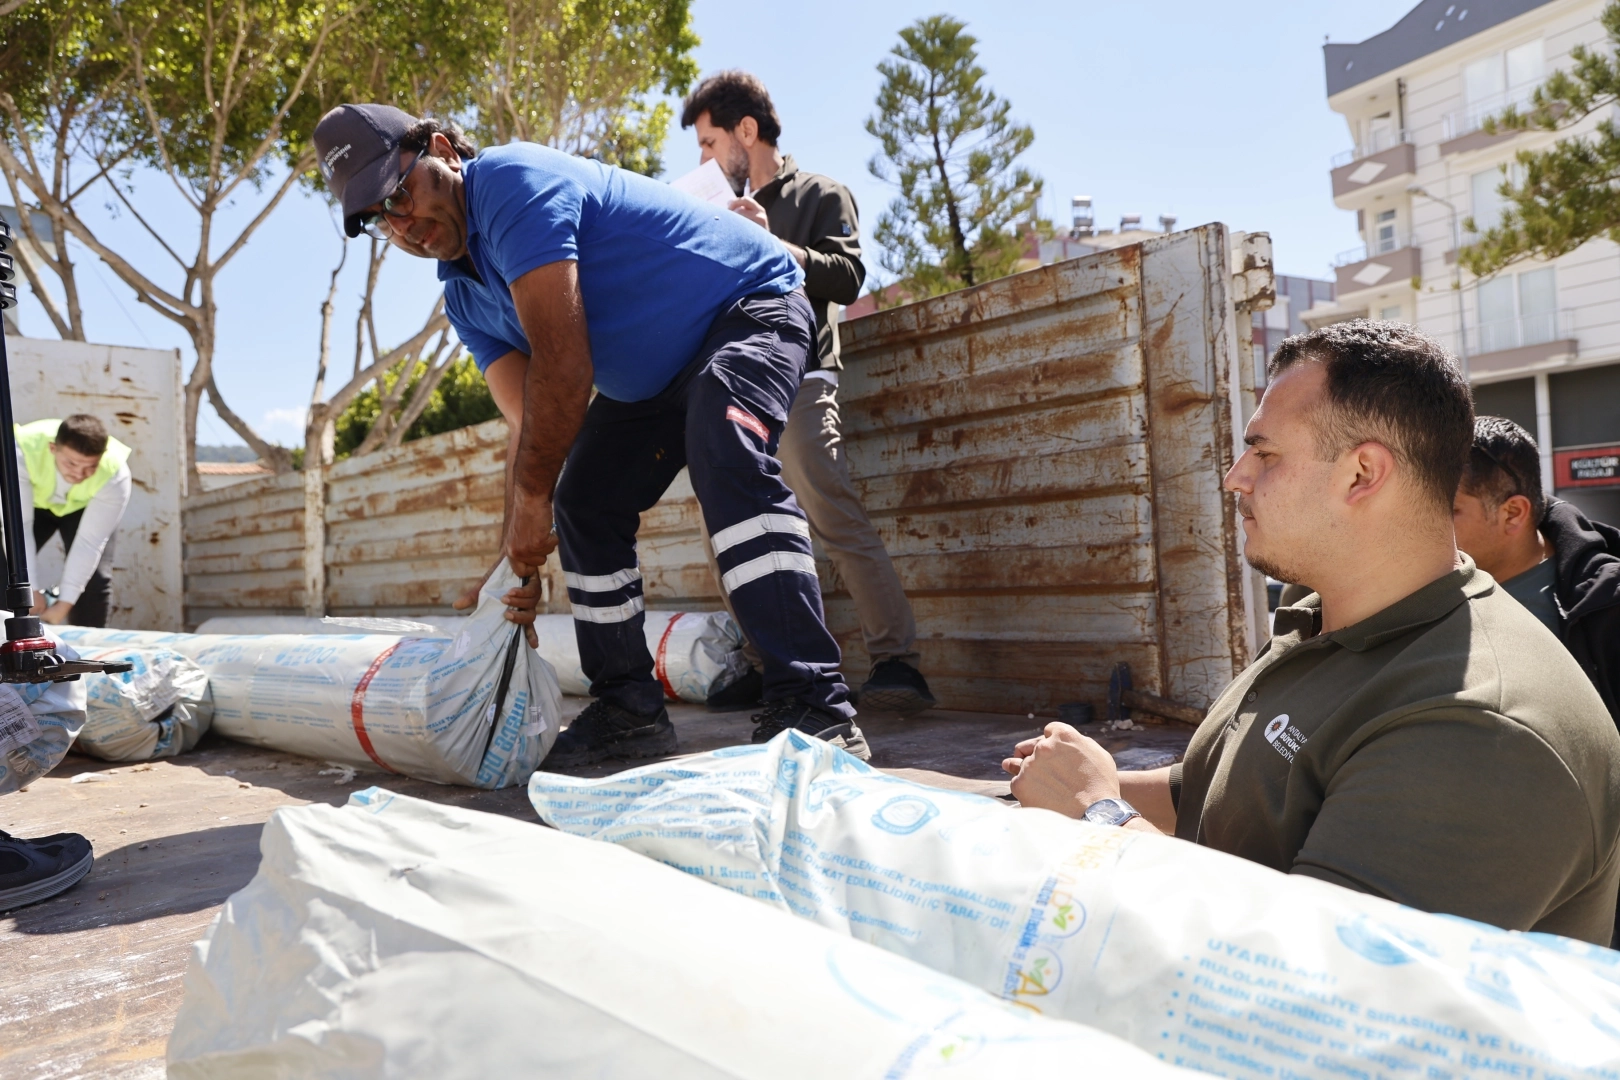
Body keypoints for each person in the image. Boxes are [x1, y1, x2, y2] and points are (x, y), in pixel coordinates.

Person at [1002, 321, 1620, 945]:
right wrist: (1078, 780)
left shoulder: (1481, 727)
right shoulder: (1323, 608)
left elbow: (1301, 965)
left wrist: (1099, 812)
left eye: (1264, 454)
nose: (1235, 477)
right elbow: (1229, 793)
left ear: (1362, 474)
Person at [312, 104, 869, 766]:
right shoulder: (463, 297)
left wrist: (530, 505)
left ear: (442, 150)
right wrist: (512, 561)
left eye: (400, 193)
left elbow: (565, 367)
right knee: (582, 499)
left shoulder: (510, 183)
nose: (401, 224)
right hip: (656, 378)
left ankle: (815, 705)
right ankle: (629, 709)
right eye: (379, 218)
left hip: (748, 306)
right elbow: (531, 425)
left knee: (724, 444)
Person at [679, 71, 934, 715]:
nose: (704, 159)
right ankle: (770, 666)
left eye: (708, 143)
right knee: (727, 523)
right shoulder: (716, 209)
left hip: (802, 377)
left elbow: (847, 277)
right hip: (736, 389)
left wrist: (769, 242)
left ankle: (896, 661)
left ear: (746, 130)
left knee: (829, 508)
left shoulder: (820, 193)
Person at [1453, 415, 1620, 722]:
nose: (1428, 525)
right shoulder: (1421, 590)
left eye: (1450, 511)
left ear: (1513, 513)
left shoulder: (1607, 605)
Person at [15, 415, 132, 627]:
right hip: (33, 507)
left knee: (95, 579)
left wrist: (63, 606)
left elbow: (89, 544)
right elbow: (19, 528)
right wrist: (29, 589)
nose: (79, 474)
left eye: (90, 467)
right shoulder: (20, 452)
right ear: (53, 449)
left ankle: (88, 642)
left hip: (84, 509)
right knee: (6, 567)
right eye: (71, 463)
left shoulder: (115, 474)